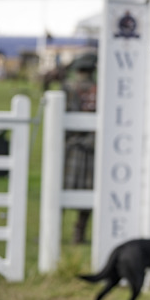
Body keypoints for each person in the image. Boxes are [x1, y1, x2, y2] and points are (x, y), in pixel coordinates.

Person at [62, 52, 98, 244]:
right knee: (88, 188)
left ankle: (56, 230)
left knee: (62, 186)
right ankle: (79, 234)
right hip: (91, 146)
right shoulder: (98, 88)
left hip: (71, 147)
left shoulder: (68, 88)